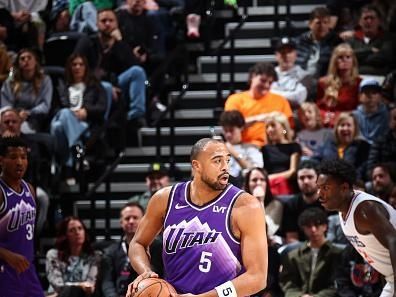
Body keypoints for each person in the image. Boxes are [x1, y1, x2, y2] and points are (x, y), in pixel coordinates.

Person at [126, 138, 268, 297]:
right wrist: (146, 273)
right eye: (217, 161)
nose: (225, 167)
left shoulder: (246, 206)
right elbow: (138, 243)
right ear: (196, 166)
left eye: (227, 160)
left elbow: (258, 277)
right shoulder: (165, 199)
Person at [317, 159, 396, 297]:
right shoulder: (343, 210)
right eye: (319, 187)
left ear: (344, 188)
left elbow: (394, 241)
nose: (319, 194)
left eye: (325, 188)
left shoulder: (364, 210)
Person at [0, 136, 44, 297]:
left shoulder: (29, 189)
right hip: (4, 272)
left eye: (23, 157)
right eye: (13, 157)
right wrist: (7, 255)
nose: (19, 162)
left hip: (27, 270)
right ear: (1, 160)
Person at [101, 202, 163, 297]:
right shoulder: (110, 252)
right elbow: (107, 282)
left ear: (144, 220)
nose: (131, 221)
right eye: (127, 218)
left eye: (135, 217)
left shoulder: (159, 246)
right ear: (121, 222)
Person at [224, 62, 293, 148]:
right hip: (244, 147)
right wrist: (258, 118)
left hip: (274, 148)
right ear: (253, 76)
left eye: (270, 82)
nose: (266, 85)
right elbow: (230, 127)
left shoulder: (280, 100)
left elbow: (287, 130)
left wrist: (280, 133)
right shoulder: (235, 99)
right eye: (263, 81)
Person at [279, 207, 342, 297]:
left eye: (317, 225)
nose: (313, 230)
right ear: (303, 229)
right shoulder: (293, 255)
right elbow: (287, 283)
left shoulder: (337, 254)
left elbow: (338, 284)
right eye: (309, 226)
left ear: (325, 226)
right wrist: (299, 295)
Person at [46, 216, 102, 296]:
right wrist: (79, 285)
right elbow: (57, 284)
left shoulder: (94, 256)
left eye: (80, 228)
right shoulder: (54, 255)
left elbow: (90, 285)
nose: (77, 232)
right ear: (65, 235)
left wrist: (79, 287)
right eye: (72, 230)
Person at [1, 48, 53, 133]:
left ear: (35, 61)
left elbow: (45, 105)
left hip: (32, 120)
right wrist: (14, 115)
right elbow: (5, 103)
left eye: (29, 57)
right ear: (19, 63)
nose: (26, 60)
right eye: (22, 58)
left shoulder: (45, 80)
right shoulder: (11, 80)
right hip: (10, 118)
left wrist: (28, 113)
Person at [316, 43, 361, 127]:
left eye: (348, 57)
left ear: (353, 61)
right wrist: (327, 117)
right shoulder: (323, 82)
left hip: (350, 124)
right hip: (327, 123)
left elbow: (360, 110)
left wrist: (339, 117)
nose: (344, 60)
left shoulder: (359, 83)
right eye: (340, 57)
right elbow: (320, 108)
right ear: (334, 61)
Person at [219, 110, 263, 187]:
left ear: (241, 128)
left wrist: (234, 153)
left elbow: (257, 172)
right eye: (226, 131)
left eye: (231, 130)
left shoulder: (252, 149)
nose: (228, 134)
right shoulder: (218, 149)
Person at [243, 167, 283, 239]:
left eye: (262, 180)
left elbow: (266, 232)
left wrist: (260, 202)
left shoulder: (276, 205)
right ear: (248, 185)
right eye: (254, 180)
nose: (258, 183)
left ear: (267, 184)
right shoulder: (240, 203)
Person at [353, 78, 389, 144]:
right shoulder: (354, 116)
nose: (371, 96)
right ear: (360, 96)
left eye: (374, 93)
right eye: (366, 93)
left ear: (380, 96)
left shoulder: (387, 115)